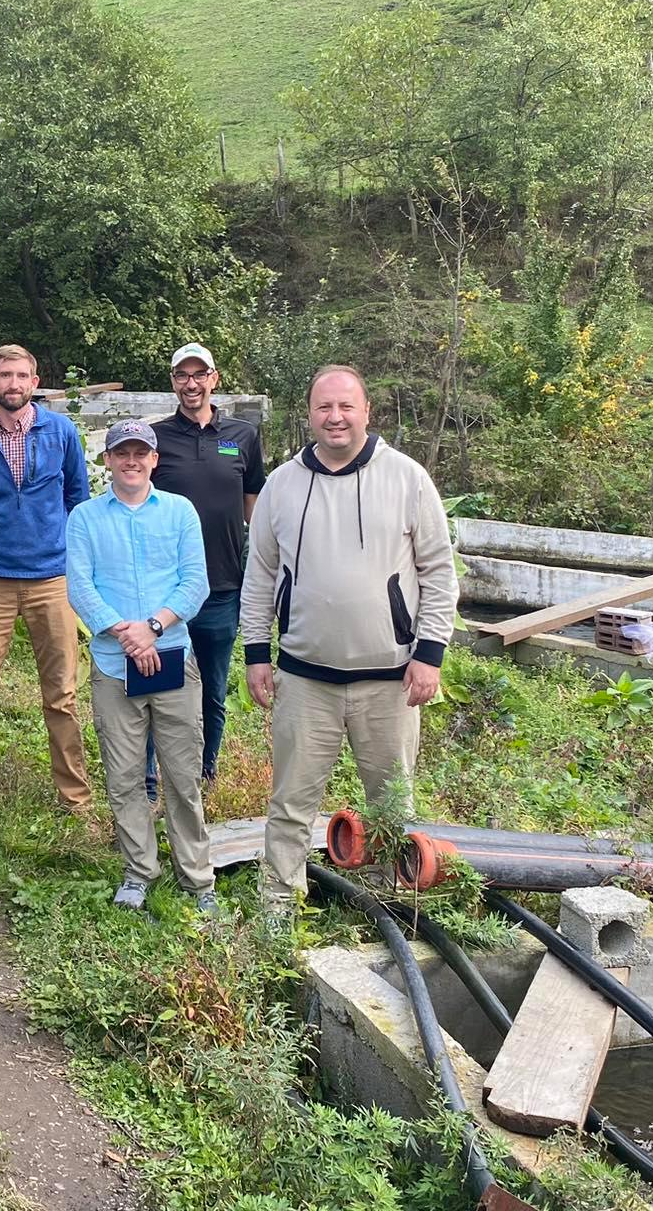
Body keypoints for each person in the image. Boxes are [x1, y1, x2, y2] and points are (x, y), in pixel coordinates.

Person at [240, 364, 459, 915]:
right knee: (291, 803)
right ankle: (278, 909)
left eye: (346, 406)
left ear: (366, 412)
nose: (335, 417)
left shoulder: (407, 479)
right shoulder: (281, 486)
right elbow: (260, 575)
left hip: (389, 682)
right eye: (323, 407)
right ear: (309, 415)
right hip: (305, 678)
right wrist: (256, 654)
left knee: (390, 805)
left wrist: (429, 653)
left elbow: (438, 571)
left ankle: (390, 905)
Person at [66, 421, 214, 913]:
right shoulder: (85, 518)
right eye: (121, 453)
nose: (131, 461)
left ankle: (196, 877)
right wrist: (125, 635)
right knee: (125, 775)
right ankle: (138, 871)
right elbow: (80, 588)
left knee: (182, 774)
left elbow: (196, 583)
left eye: (140, 453)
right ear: (107, 460)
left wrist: (151, 627)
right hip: (114, 666)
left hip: (174, 660)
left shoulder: (179, 512)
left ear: (154, 459)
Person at [0, 344, 93, 816]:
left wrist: (73, 561)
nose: (13, 384)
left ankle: (73, 796)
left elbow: (77, 497)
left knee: (62, 694)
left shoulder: (61, 431)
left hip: (51, 577)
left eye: (22, 376)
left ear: (35, 383)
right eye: (4, 375)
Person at [146, 341, 266, 800]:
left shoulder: (243, 435)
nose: (191, 384)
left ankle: (204, 773)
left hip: (221, 585)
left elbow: (254, 500)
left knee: (212, 689)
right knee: (160, 685)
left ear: (215, 378)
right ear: (173, 381)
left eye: (200, 375)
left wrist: (271, 559)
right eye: (182, 375)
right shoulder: (156, 438)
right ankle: (152, 784)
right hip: (167, 590)